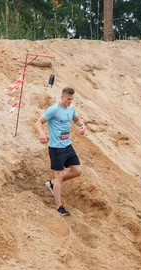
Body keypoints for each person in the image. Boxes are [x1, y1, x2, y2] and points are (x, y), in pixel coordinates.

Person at [34, 87, 87, 217]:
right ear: (62, 97)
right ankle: (59, 207)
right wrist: (42, 134)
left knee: (77, 171)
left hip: (67, 146)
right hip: (56, 148)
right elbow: (38, 122)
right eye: (68, 99)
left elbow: (76, 119)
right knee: (59, 176)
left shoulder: (71, 108)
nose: (70, 101)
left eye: (71, 99)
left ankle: (51, 184)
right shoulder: (53, 110)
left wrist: (82, 125)